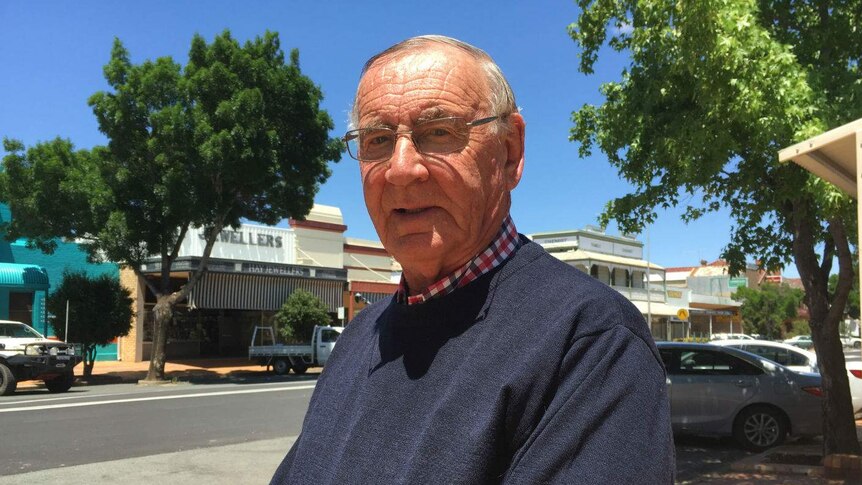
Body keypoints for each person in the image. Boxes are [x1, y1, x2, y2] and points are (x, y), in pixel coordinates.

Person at [271, 35, 674, 484]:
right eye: (378, 139)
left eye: (438, 132)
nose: (401, 168)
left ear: (509, 152)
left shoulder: (590, 342)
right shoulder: (358, 338)